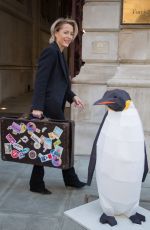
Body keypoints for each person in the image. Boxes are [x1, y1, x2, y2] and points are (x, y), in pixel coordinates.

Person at [29, 18, 86, 194]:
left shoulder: (59, 53)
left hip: (54, 106)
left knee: (46, 143)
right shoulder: (51, 52)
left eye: (71, 33)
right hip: (47, 108)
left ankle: (38, 183)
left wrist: (72, 96)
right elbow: (41, 81)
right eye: (65, 32)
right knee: (60, 141)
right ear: (56, 33)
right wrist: (37, 107)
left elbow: (59, 83)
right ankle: (68, 179)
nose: (69, 36)